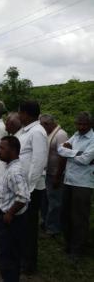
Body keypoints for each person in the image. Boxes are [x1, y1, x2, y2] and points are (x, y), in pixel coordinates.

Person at [58, 111, 94, 259]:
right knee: (65, 214)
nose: (81, 127)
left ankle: (77, 250)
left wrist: (69, 152)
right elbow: (60, 149)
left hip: (83, 183)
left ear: (90, 124)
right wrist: (76, 153)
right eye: (79, 123)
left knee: (79, 217)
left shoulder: (93, 138)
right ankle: (69, 244)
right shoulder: (76, 135)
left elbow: (85, 159)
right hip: (68, 180)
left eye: (84, 124)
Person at [0, 136, 30, 282]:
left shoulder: (15, 172)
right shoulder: (9, 167)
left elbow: (23, 197)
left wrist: (10, 213)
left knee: (8, 254)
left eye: (2, 148)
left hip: (10, 221)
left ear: (13, 150)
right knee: (6, 252)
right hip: (5, 217)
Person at [18, 100, 48, 275]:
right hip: (23, 187)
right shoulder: (26, 131)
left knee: (29, 228)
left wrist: (27, 189)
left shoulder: (37, 132)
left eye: (20, 112)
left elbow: (38, 162)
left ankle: (29, 264)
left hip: (31, 190)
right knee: (23, 226)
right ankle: (23, 257)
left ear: (27, 114)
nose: (19, 115)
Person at [39, 114, 68, 235]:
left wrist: (57, 176)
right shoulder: (49, 132)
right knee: (46, 200)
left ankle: (53, 228)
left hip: (56, 174)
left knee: (55, 202)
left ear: (48, 124)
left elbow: (63, 156)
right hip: (47, 173)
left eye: (43, 126)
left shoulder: (61, 135)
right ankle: (46, 222)